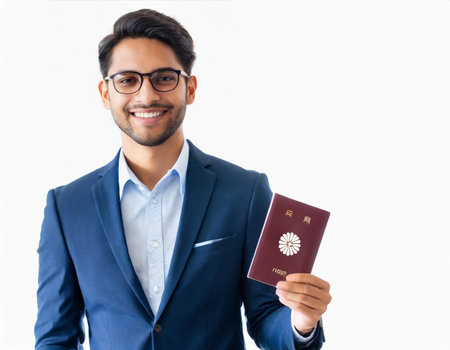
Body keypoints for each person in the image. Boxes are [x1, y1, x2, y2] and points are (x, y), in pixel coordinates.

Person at [35, 9, 331, 350]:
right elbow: (55, 337)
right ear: (106, 93)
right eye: (128, 80)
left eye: (163, 78)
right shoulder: (67, 206)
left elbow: (266, 316)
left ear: (189, 88)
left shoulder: (245, 193)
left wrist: (301, 322)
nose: (146, 96)